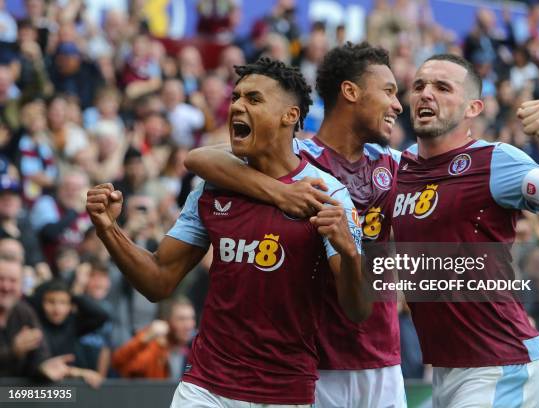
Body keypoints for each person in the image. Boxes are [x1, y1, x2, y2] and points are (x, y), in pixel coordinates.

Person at [86, 57, 365, 406]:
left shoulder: (327, 194)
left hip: (284, 391)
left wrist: (350, 254)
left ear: (290, 115)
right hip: (205, 386)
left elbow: (358, 310)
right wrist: (108, 230)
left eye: (254, 99)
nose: (237, 106)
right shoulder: (211, 189)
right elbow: (158, 280)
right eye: (236, 97)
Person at [185, 42, 406, 407]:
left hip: (382, 357)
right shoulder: (295, 155)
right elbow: (199, 159)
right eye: (389, 91)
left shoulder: (394, 163)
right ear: (350, 92)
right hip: (317, 363)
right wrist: (278, 191)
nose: (398, 104)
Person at [391, 53, 539, 407]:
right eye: (419, 85)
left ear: (473, 108)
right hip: (446, 367)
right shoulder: (401, 166)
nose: (426, 94)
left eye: (442, 87)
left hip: (502, 363)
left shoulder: (497, 161)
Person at [0, 258, 73, 380]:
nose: (6, 287)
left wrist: (44, 367)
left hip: (15, 396)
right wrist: (13, 352)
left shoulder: (24, 312)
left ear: (21, 285)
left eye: (13, 281)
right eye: (1, 279)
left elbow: (40, 354)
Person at [111, 296, 195, 380]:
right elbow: (118, 362)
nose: (189, 325)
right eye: (181, 319)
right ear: (167, 321)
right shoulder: (154, 349)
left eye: (191, 318)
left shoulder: (193, 352)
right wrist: (144, 339)